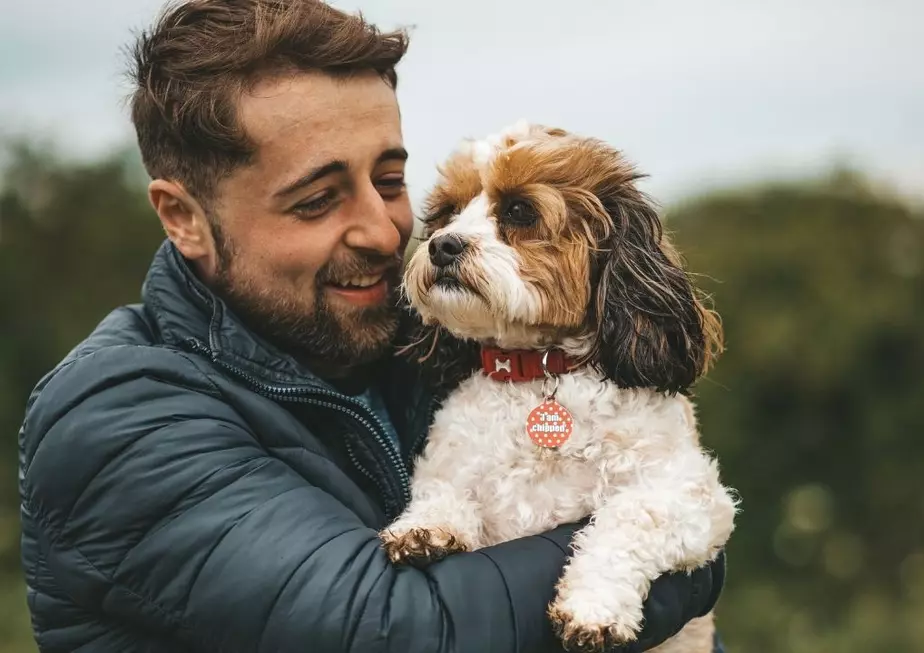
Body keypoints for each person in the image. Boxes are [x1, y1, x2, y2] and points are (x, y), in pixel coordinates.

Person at [17, 1, 727, 651]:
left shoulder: (430, 347)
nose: (387, 234)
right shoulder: (115, 418)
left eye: (391, 182)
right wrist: (677, 542)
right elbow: (386, 630)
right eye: (318, 199)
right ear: (183, 218)